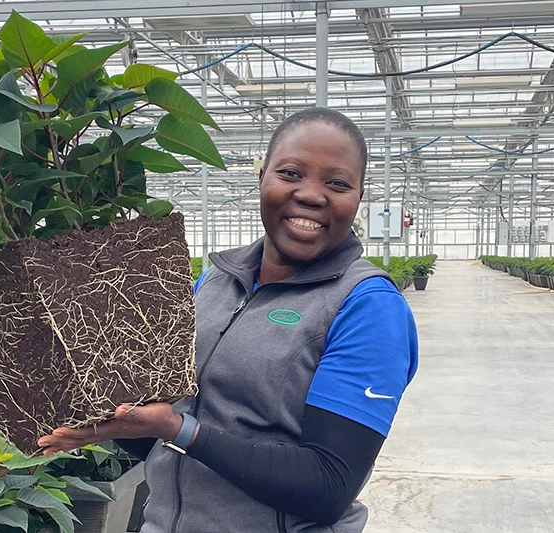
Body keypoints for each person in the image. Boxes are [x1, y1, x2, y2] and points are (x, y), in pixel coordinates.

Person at [37, 107, 419, 533]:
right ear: (261, 178)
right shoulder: (213, 282)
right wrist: (113, 426)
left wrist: (178, 429)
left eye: (337, 183)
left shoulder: (367, 306)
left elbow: (328, 487)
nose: (312, 194)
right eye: (291, 173)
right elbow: (177, 443)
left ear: (358, 198)